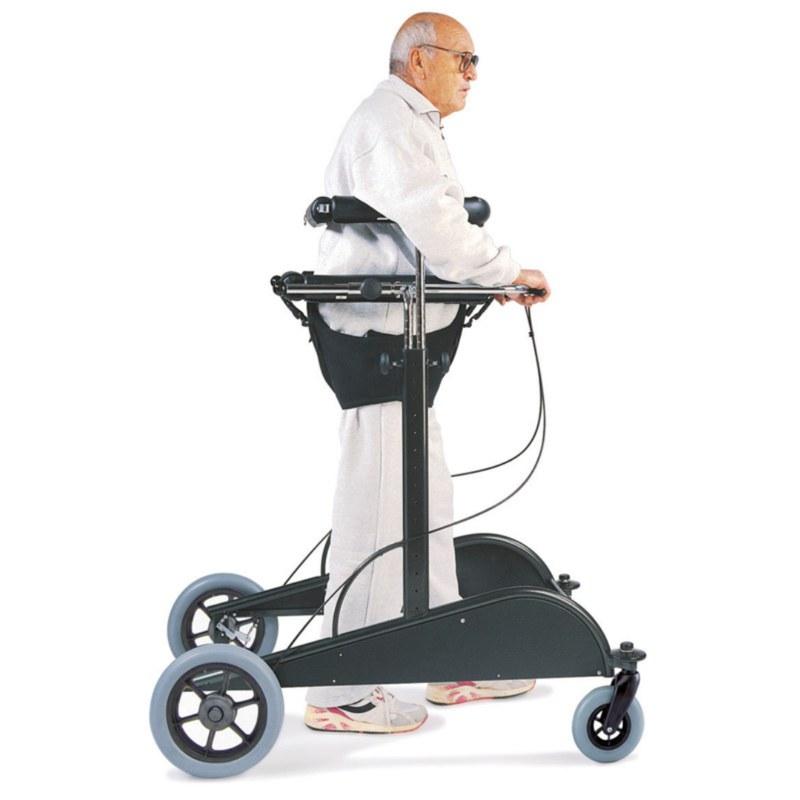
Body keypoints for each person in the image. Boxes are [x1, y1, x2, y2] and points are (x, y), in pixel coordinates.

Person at [304, 12, 551, 734]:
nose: (472, 74)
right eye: (462, 59)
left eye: (475, 62)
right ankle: (341, 690)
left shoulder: (411, 123)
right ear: (418, 61)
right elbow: (436, 225)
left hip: (403, 336)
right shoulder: (388, 121)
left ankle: (448, 654)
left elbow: (426, 231)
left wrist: (483, 278)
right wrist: (504, 269)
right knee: (380, 499)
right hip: (377, 339)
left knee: (425, 496)